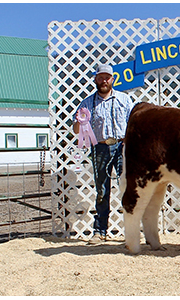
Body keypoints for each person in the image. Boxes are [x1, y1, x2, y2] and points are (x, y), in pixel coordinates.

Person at [73, 64, 134, 244]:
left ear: (113, 79)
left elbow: (134, 122)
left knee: (127, 188)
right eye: (100, 77)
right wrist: (79, 121)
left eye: (107, 77)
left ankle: (131, 231)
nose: (104, 81)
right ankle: (99, 232)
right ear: (95, 79)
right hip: (99, 148)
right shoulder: (87, 104)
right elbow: (76, 130)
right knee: (102, 191)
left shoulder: (125, 99)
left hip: (122, 146)